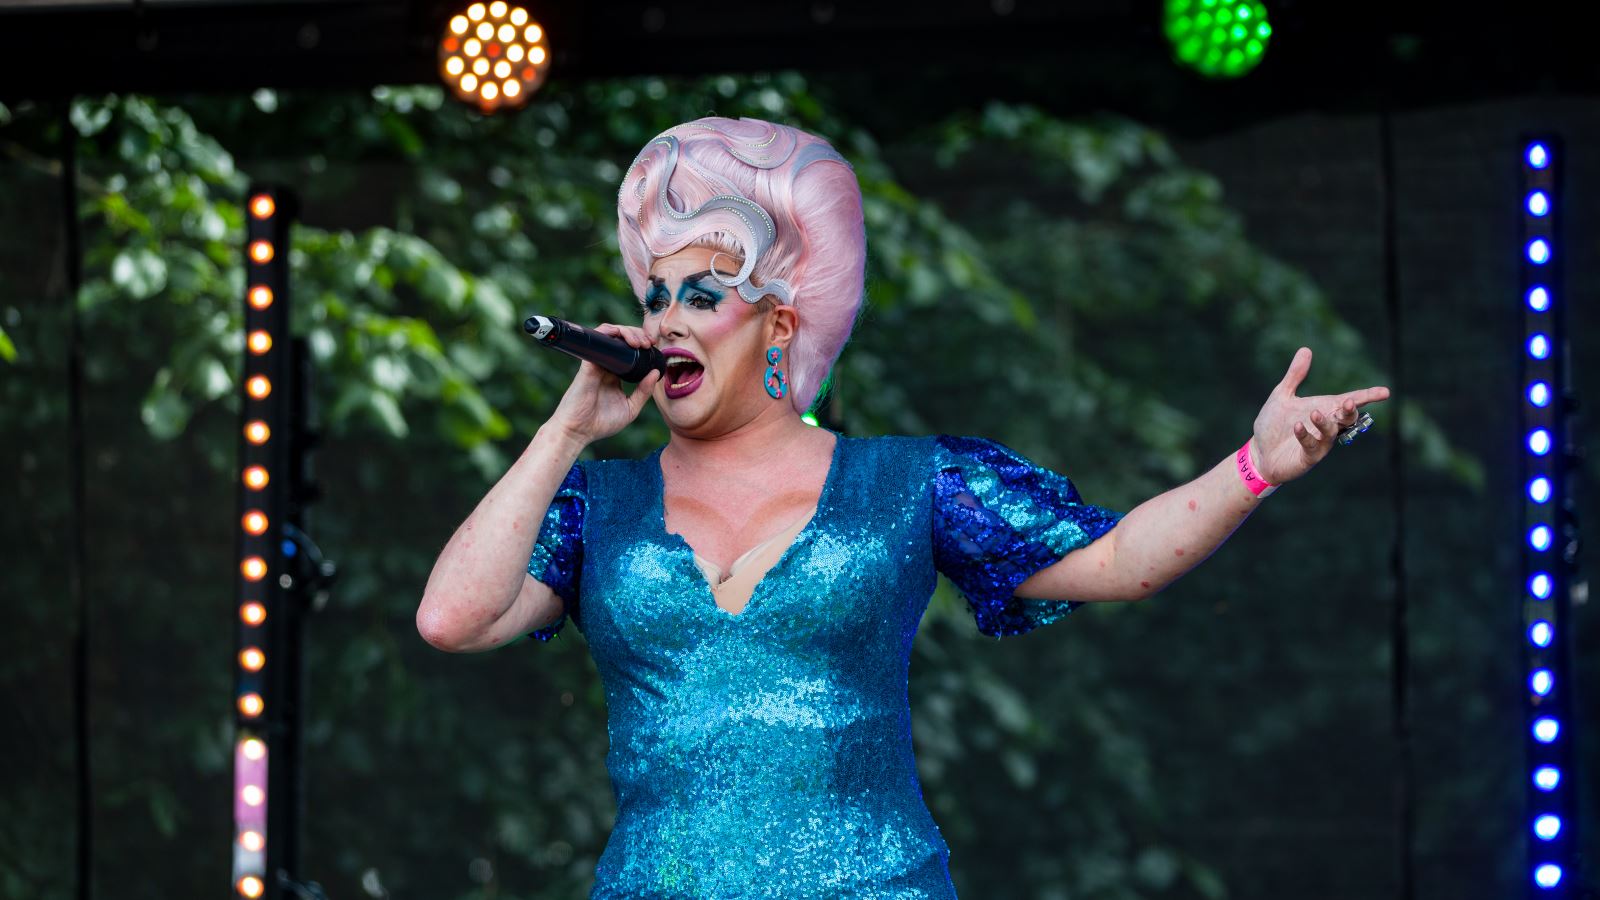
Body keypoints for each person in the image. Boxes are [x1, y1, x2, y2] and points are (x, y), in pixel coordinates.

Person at [417, 116, 1390, 898]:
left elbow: (1119, 558)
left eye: (701, 293)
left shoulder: (913, 482)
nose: (665, 316)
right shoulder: (597, 502)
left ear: (777, 321)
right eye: (655, 291)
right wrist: (568, 429)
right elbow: (453, 619)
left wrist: (1254, 466)